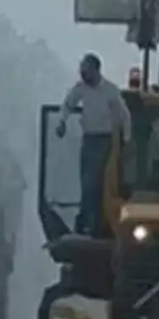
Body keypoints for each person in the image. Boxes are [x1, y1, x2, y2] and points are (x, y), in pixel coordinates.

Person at [56, 52, 131, 235]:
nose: (82, 73)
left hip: (104, 141)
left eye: (86, 70)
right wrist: (61, 122)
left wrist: (127, 141)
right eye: (81, 70)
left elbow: (125, 116)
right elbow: (67, 104)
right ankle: (88, 219)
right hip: (88, 140)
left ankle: (92, 221)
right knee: (86, 182)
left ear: (96, 70)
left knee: (94, 182)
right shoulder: (81, 88)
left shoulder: (110, 91)